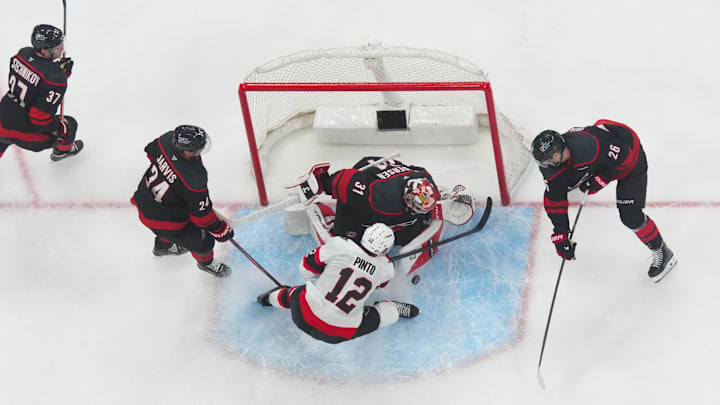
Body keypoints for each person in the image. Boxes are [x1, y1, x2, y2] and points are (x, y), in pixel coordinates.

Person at [531, 119, 677, 282]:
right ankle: (579, 177)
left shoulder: (588, 147)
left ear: (559, 151)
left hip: (629, 155)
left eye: (551, 160)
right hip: (600, 155)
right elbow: (554, 201)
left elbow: (625, 157)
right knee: (561, 182)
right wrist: (561, 234)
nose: (548, 166)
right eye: (544, 163)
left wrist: (599, 180)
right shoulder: (550, 167)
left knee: (630, 217)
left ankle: (663, 252)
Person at [285, 156, 475, 277]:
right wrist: (319, 183)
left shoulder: (425, 180)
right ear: (406, 198)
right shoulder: (379, 195)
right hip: (361, 206)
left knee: (410, 225)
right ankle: (327, 218)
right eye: (414, 208)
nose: (418, 211)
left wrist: (449, 199)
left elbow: (417, 169)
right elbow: (346, 181)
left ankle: (405, 228)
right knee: (346, 240)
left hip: (390, 185)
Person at [256, 223, 419, 344]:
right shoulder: (387, 269)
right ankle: (389, 308)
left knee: (295, 294)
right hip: (338, 333)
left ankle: (267, 299)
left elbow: (305, 269)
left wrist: (327, 273)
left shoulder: (339, 245)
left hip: (302, 315)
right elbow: (380, 286)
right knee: (388, 314)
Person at [131, 125, 233, 278]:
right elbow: (202, 216)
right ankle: (206, 264)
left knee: (171, 230)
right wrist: (219, 230)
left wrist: (168, 171)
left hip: (144, 199)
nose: (200, 151)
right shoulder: (194, 177)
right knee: (203, 241)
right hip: (163, 218)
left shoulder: (166, 140)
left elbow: (150, 150)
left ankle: (163, 247)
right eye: (197, 149)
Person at [0, 24, 83, 161]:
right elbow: (40, 119)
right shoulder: (55, 77)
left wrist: (55, 70)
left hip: (3, 116)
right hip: (25, 132)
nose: (62, 49)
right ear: (44, 50)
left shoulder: (23, 53)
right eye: (57, 47)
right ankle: (62, 151)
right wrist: (60, 129)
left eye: (61, 43)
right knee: (70, 126)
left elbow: (33, 77)